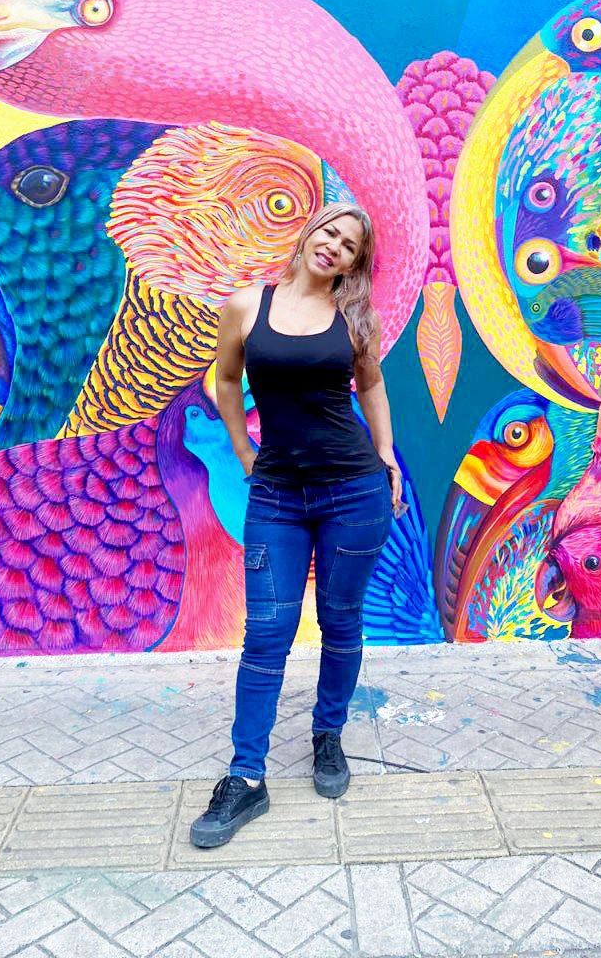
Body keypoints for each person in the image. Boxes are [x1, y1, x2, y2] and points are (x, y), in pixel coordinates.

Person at [190, 201, 403, 848]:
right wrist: (241, 448)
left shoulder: (353, 318)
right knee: (267, 634)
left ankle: (327, 734)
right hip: (277, 494)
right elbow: (227, 380)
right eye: (329, 232)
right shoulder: (246, 307)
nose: (334, 245)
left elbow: (371, 386)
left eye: (349, 245)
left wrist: (387, 454)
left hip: (353, 492)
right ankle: (246, 777)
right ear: (310, 233)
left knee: (341, 622)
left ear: (353, 264)